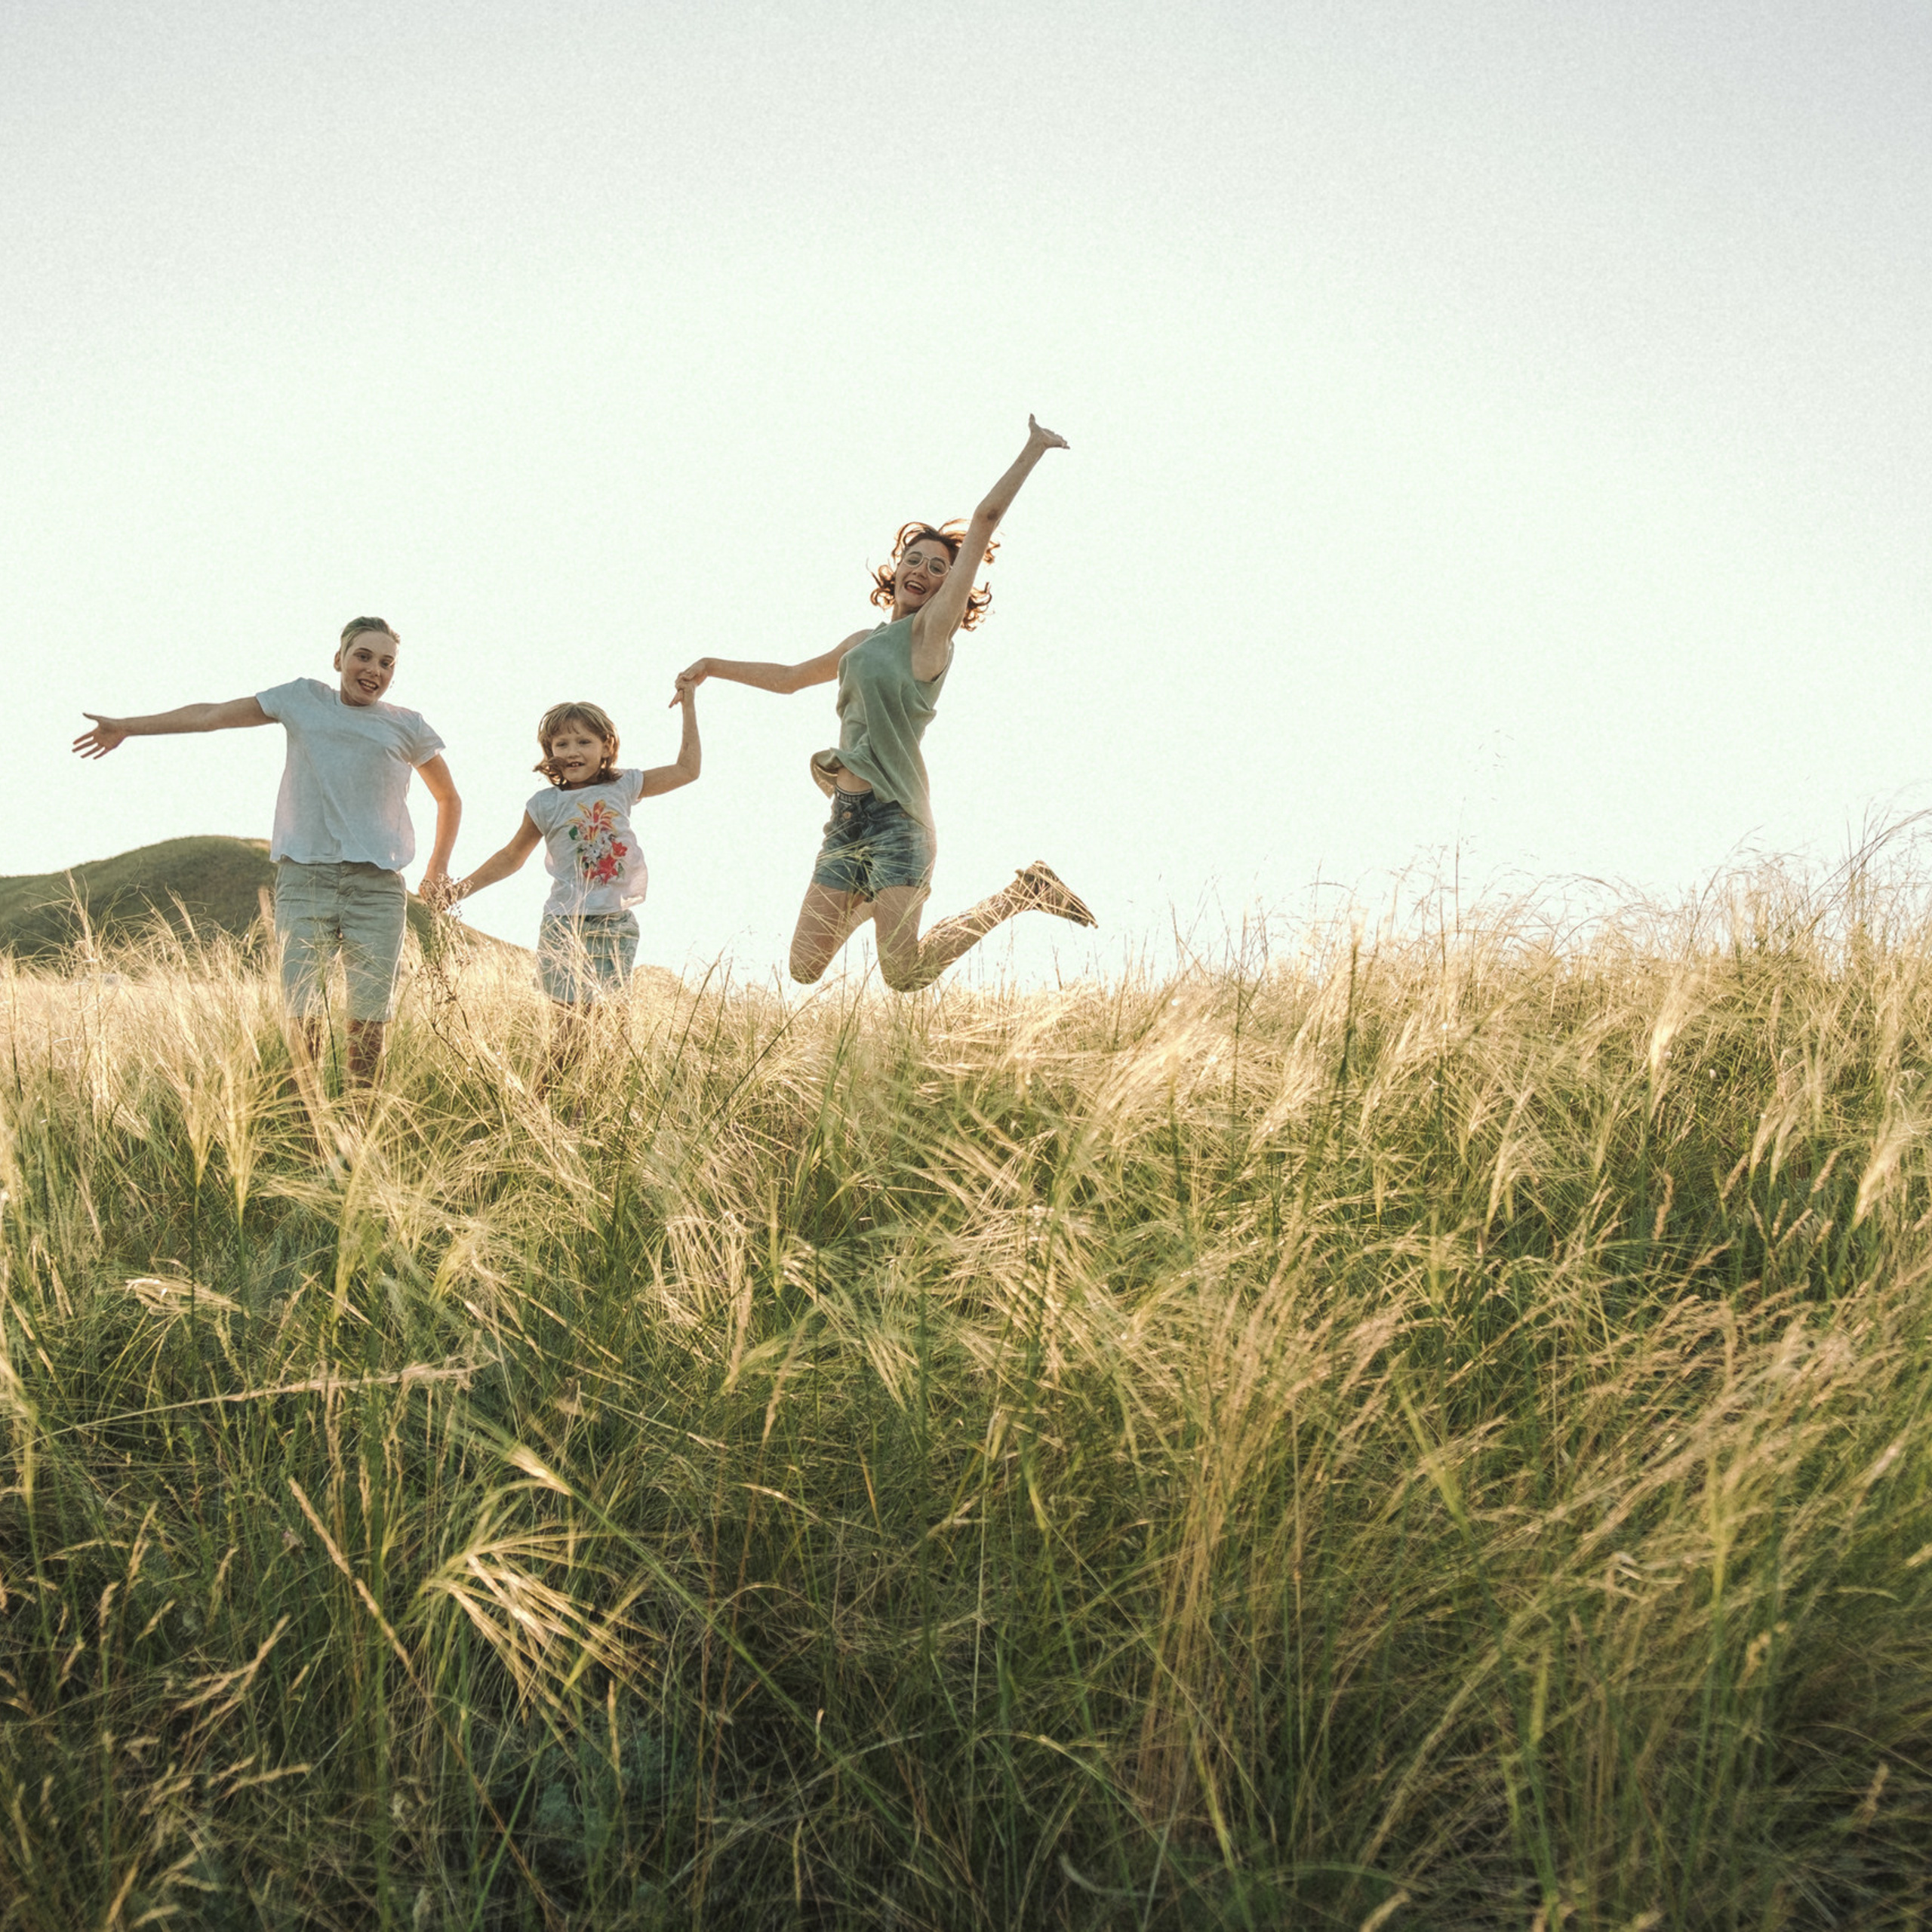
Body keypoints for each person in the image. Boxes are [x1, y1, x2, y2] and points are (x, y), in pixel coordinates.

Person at [673, 414, 1094, 992]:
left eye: (939, 568)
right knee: (802, 969)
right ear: (896, 570)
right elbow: (791, 678)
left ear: (952, 588)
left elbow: (984, 521)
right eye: (914, 560)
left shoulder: (930, 638)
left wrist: (1034, 448)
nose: (922, 570)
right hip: (845, 824)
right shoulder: (860, 644)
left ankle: (1024, 893)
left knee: (903, 974)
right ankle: (875, 901)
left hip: (899, 821)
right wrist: (713, 667)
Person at [72, 617, 460, 1088]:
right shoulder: (302, 699)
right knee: (304, 1014)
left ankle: (358, 1131)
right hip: (305, 882)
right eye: (363, 656)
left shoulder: (408, 726)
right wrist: (128, 727)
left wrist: (438, 867)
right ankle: (306, 1128)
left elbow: (448, 798)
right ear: (339, 659)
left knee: (370, 1020)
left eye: (387, 663)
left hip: (377, 888)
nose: (374, 670)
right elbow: (211, 715)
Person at [431, 684, 700, 1075]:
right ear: (549, 753)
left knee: (610, 1034)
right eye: (561, 744)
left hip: (614, 924)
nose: (572, 752)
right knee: (568, 1037)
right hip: (563, 926)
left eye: (584, 741)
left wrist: (689, 705)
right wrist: (458, 890)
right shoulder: (545, 804)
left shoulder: (623, 786)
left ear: (607, 747)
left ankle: (596, 1118)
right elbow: (511, 857)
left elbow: (687, 770)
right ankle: (542, 1118)